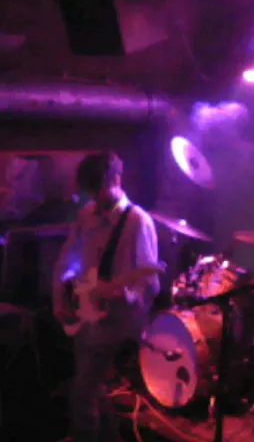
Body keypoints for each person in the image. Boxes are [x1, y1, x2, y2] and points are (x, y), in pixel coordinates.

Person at [52, 151, 160, 442]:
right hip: (88, 315)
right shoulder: (86, 215)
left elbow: (149, 281)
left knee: (83, 388)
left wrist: (126, 296)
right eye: (90, 191)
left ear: (116, 180)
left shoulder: (138, 222)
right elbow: (68, 257)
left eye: (98, 190)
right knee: (94, 386)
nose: (94, 199)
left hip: (117, 323)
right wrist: (60, 297)